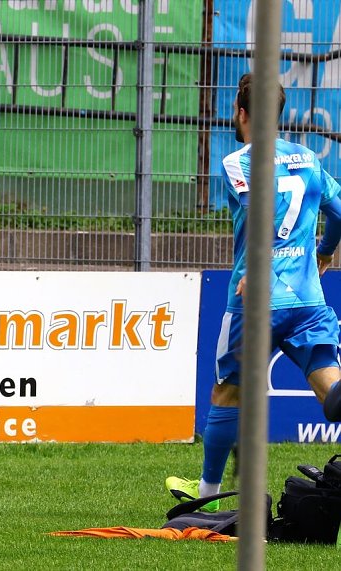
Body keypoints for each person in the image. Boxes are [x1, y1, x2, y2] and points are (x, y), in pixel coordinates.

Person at [165, 72, 341, 512]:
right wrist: (324, 252)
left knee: (227, 391)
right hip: (308, 301)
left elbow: (258, 206)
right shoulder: (308, 158)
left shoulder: (236, 163)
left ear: (241, 114)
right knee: (331, 389)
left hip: (255, 301)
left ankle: (206, 495)